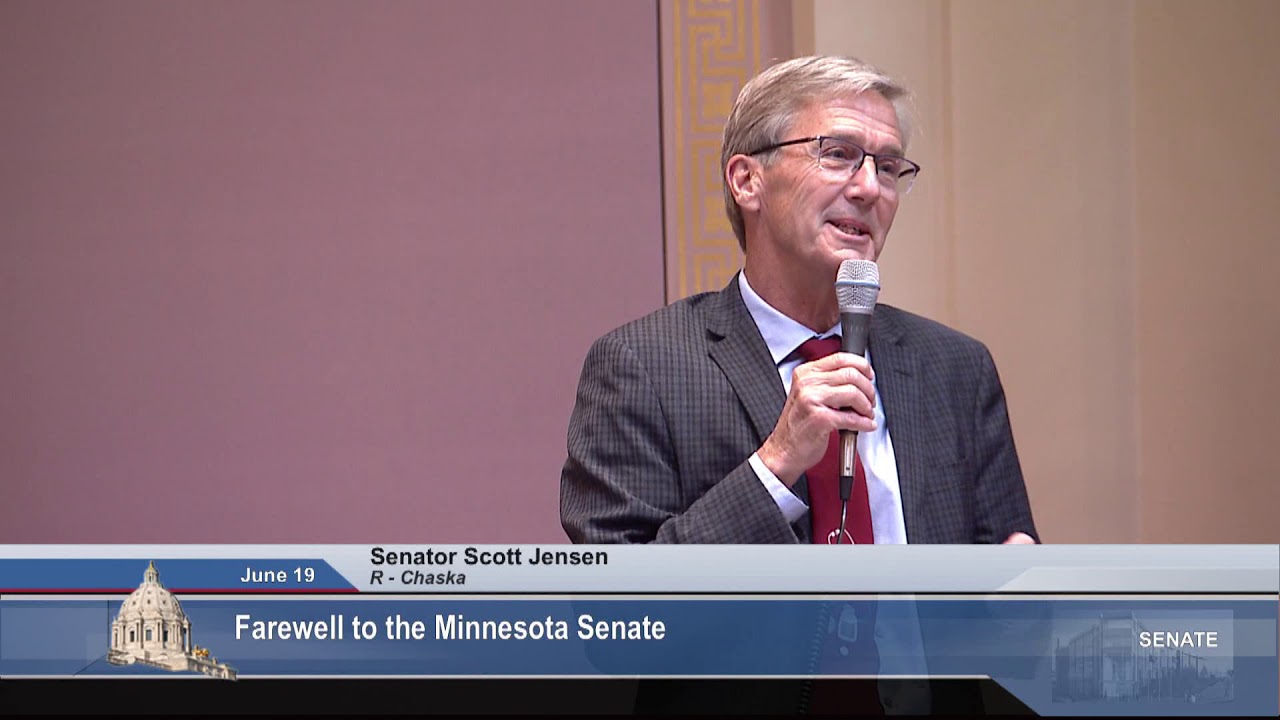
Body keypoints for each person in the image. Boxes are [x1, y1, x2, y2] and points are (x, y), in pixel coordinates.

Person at [560, 55, 1036, 546]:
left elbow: (1012, 578)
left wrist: (1021, 597)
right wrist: (777, 462)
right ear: (747, 181)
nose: (871, 188)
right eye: (837, 154)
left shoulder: (956, 368)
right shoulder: (644, 367)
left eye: (889, 167)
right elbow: (617, 604)